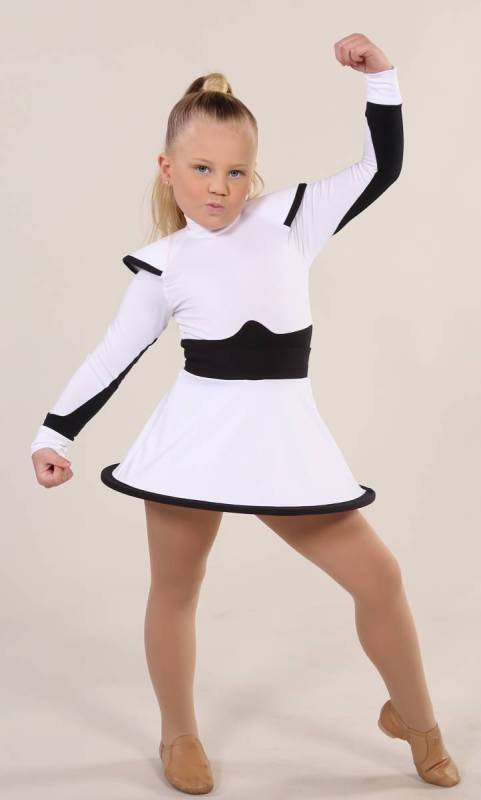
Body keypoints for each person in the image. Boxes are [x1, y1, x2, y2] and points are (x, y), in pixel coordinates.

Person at [31, 33, 461, 794]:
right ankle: (178, 734)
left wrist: (382, 78)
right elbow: (110, 357)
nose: (219, 188)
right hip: (192, 446)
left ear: (253, 175)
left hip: (283, 442)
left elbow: (381, 168)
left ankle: (417, 722)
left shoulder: (291, 217)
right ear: (167, 168)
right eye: (201, 169)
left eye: (235, 172)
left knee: (379, 577)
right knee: (176, 590)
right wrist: (52, 435)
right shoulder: (163, 265)